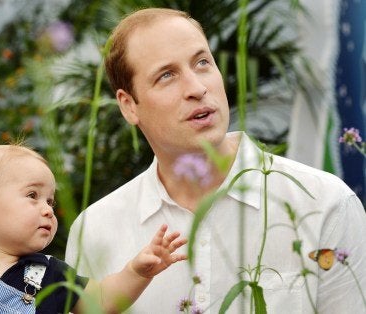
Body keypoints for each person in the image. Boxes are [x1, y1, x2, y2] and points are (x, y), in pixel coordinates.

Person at [65, 7, 366, 314]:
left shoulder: (325, 203)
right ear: (129, 106)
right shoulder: (95, 230)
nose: (197, 88)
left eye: (202, 63)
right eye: (167, 75)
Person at [0, 144, 187, 313]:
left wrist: (137, 272)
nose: (48, 209)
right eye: (32, 196)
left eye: (50, 201)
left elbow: (101, 302)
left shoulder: (51, 274)